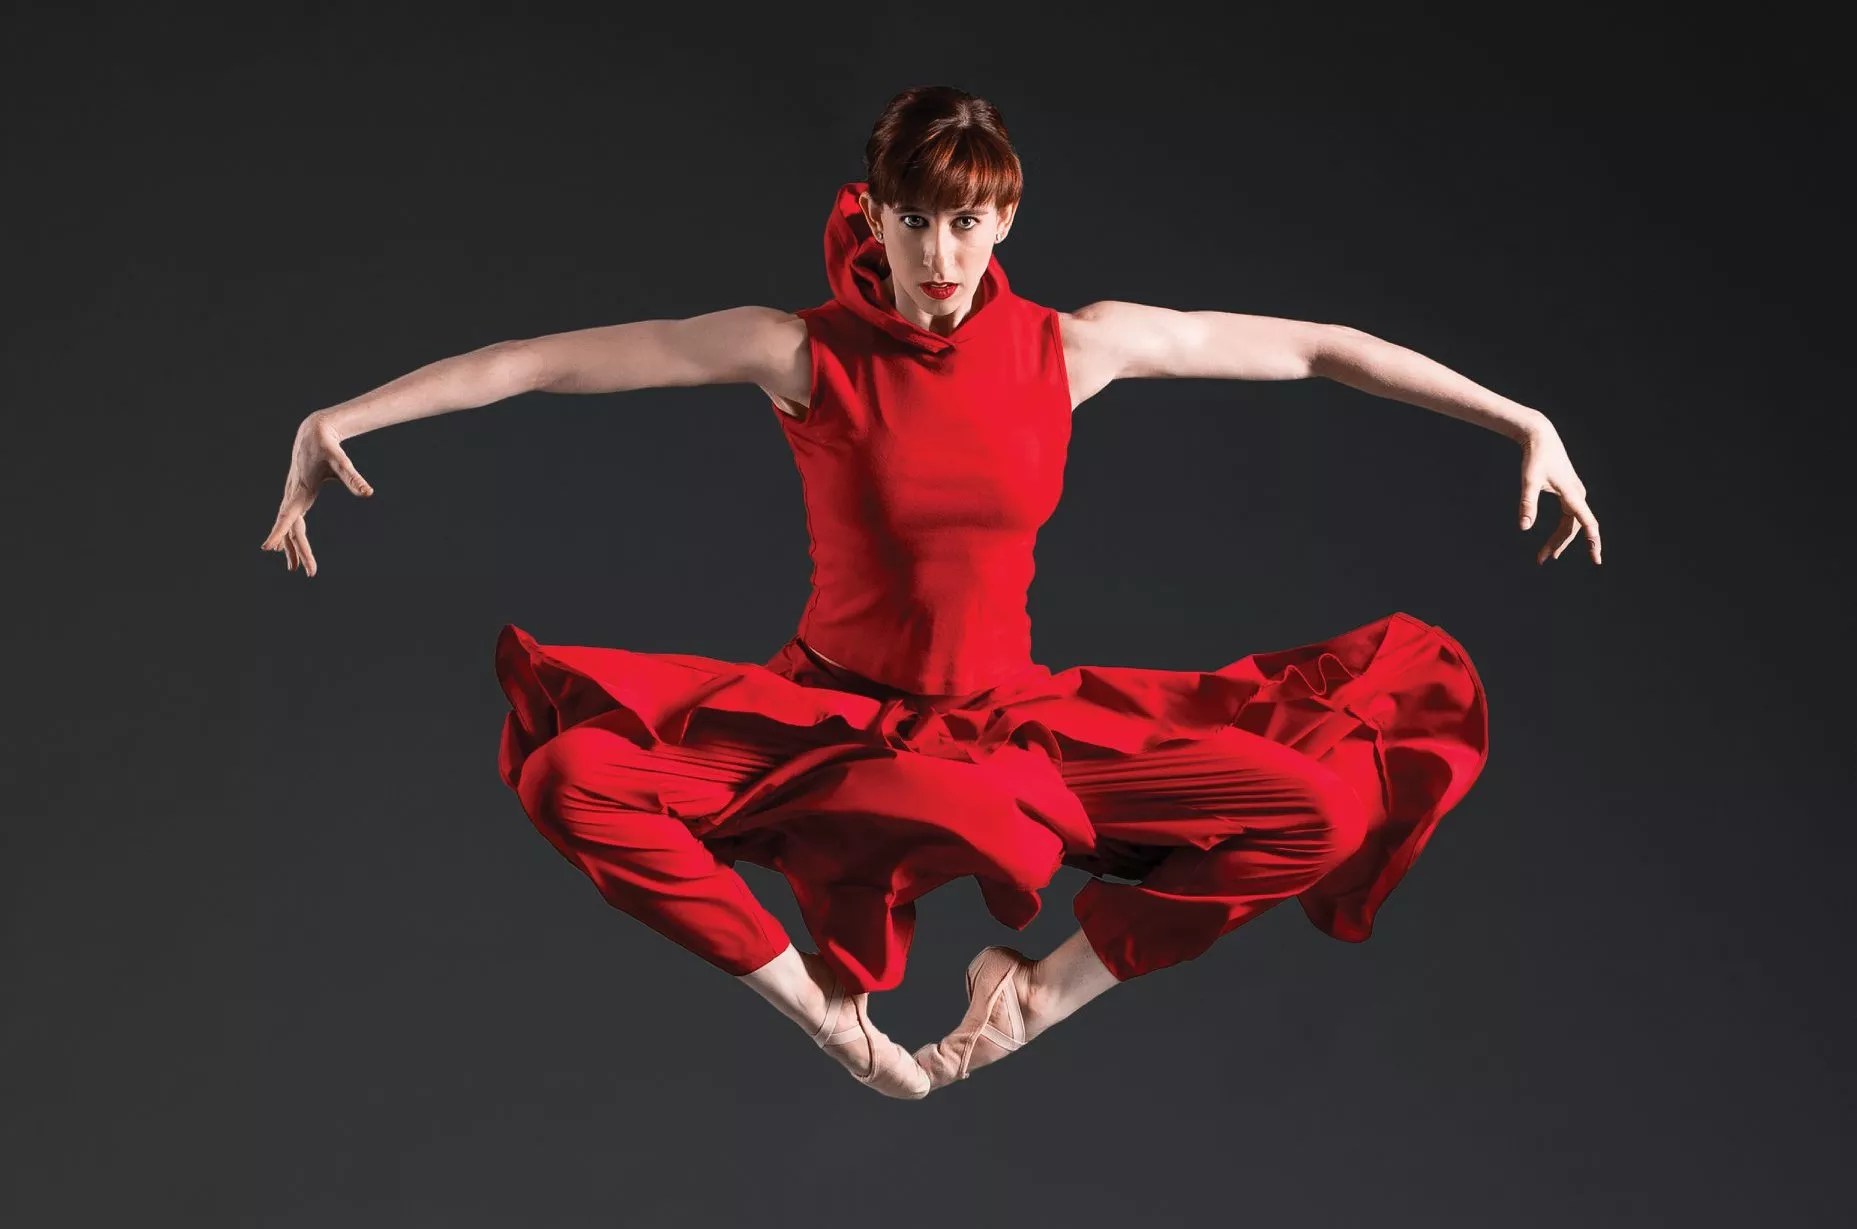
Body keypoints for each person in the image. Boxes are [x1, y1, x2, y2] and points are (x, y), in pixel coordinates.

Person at [260, 85, 1600, 1101]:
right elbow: (540, 360)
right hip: (830, 722)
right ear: (875, 215)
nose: (940, 255)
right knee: (571, 781)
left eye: (966, 223)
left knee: (1317, 809)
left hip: (1012, 725)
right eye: (914, 222)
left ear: (1004, 220)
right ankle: (821, 1013)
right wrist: (343, 416)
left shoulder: (1072, 349)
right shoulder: (801, 353)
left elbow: (1316, 350)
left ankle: (1032, 997)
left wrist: (1521, 417)